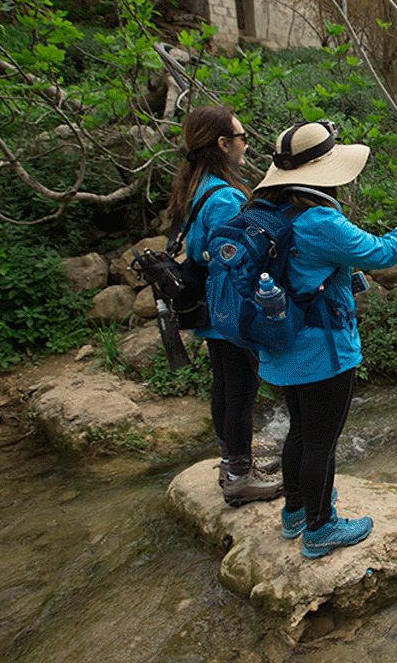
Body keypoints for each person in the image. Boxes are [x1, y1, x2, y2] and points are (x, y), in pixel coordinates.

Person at [251, 119, 397, 558]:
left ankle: (296, 512)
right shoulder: (318, 220)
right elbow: (383, 253)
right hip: (323, 349)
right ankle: (321, 528)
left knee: (300, 431)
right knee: (322, 440)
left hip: (283, 343)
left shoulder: (270, 208)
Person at [167, 104, 283, 506]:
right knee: (241, 390)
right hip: (229, 308)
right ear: (222, 143)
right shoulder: (224, 196)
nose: (246, 143)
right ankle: (238, 477)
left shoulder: (197, 185)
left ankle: (233, 461)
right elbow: (237, 257)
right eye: (242, 137)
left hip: (211, 306)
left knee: (225, 387)